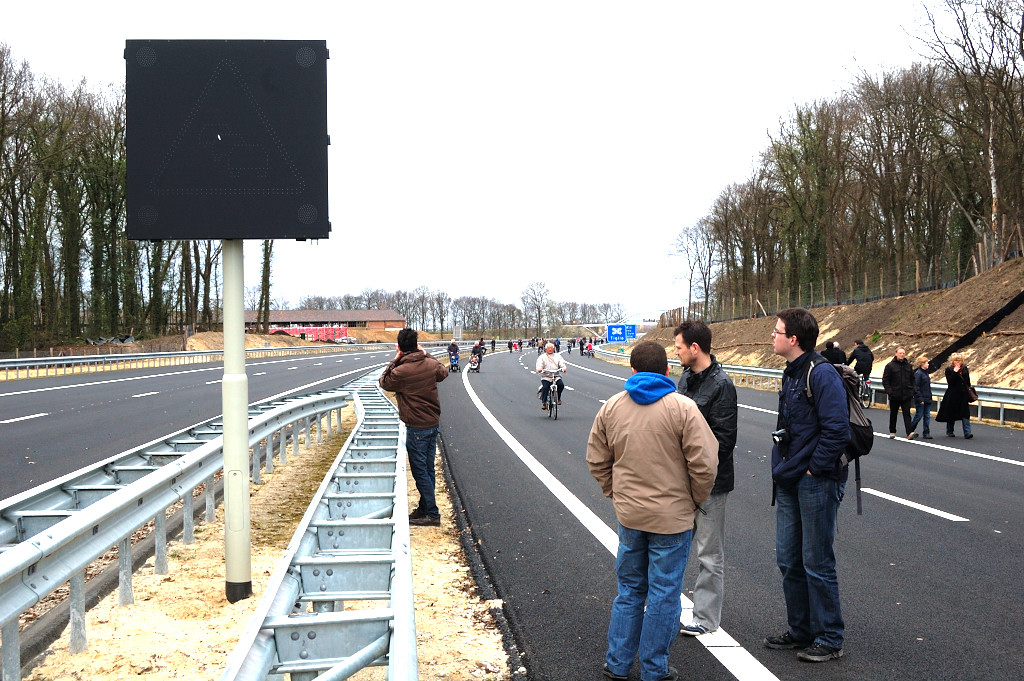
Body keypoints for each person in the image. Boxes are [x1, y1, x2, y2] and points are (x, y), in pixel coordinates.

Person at [587, 340, 718, 681]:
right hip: (673, 519)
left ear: (632, 370)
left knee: (630, 589)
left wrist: (615, 493)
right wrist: (694, 500)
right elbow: (705, 464)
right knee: (664, 593)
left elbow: (596, 459)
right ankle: (654, 669)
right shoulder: (684, 408)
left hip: (630, 516)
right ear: (667, 370)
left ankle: (617, 663)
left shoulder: (612, 407)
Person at [765, 308, 849, 663]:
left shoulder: (821, 374)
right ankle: (800, 629)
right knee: (788, 559)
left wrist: (814, 469)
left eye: (777, 331)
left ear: (794, 339)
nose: (772, 336)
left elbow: (838, 430)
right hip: (788, 477)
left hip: (816, 481)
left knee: (817, 562)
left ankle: (829, 637)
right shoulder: (791, 373)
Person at [673, 321, 737, 637]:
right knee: (673, 547)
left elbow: (723, 442)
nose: (676, 352)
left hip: (711, 483)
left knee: (709, 554)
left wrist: (696, 472)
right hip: (681, 481)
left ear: (695, 348)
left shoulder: (722, 386)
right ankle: (666, 607)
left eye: (679, 347)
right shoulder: (685, 378)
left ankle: (706, 618)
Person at [379, 328, 449, 526]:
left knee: (420, 472)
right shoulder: (430, 364)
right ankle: (425, 508)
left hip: (416, 426)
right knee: (428, 469)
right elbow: (443, 371)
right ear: (417, 345)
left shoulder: (401, 371)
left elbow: (384, 381)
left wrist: (395, 359)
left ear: (400, 347)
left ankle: (432, 513)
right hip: (432, 423)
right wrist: (426, 354)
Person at [936, 352, 974, 439]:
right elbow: (950, 382)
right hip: (952, 395)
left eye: (959, 360)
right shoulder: (949, 369)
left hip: (963, 395)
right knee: (951, 413)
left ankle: (967, 432)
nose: (958, 362)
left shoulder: (965, 369)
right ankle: (950, 431)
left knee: (965, 413)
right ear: (952, 361)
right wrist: (955, 372)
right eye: (956, 360)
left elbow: (967, 382)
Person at [882, 346, 916, 440]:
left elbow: (913, 379)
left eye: (903, 353)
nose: (902, 355)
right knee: (893, 414)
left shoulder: (908, 366)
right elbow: (885, 380)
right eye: (900, 353)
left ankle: (909, 433)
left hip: (906, 394)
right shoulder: (890, 366)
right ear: (896, 353)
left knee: (907, 414)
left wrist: (913, 390)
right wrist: (890, 391)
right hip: (895, 394)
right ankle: (892, 431)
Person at [535, 342, 567, 410]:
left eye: (551, 348)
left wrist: (563, 368)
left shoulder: (558, 356)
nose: (550, 349)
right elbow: (539, 364)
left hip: (556, 375)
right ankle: (544, 402)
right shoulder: (542, 357)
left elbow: (562, 363)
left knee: (561, 385)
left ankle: (558, 398)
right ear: (545, 349)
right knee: (545, 387)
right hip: (546, 376)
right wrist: (539, 369)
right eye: (548, 348)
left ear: (553, 349)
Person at [909, 355, 934, 439]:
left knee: (927, 416)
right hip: (921, 398)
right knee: (919, 415)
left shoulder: (925, 373)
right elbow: (916, 387)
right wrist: (920, 398)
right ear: (922, 364)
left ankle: (926, 432)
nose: (928, 364)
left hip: (927, 397)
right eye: (926, 363)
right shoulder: (918, 373)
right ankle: (910, 430)